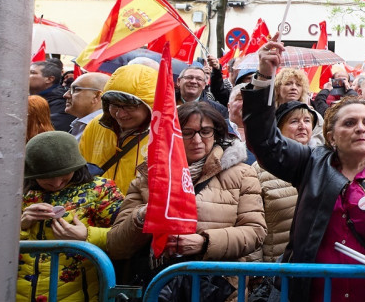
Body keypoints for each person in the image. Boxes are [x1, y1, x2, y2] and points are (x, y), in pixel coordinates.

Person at [244, 40, 365, 301]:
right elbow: (264, 142)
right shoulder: (311, 162)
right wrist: (264, 77)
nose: (361, 128)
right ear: (331, 136)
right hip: (313, 293)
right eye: (350, 123)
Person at [107, 101, 266, 291]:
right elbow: (116, 245)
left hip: (214, 289)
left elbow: (255, 231)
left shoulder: (241, 174)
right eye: (187, 133)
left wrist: (204, 242)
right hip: (157, 286)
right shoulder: (148, 178)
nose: (197, 140)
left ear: (216, 133)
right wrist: (144, 215)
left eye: (206, 131)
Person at [18, 131, 124, 302]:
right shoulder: (16, 194)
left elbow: (125, 237)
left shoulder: (100, 190)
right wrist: (20, 226)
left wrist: (87, 237)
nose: (57, 183)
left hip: (80, 294)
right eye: (46, 179)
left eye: (65, 175)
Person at [255, 101, 319, 263]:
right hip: (275, 268)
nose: (302, 126)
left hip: (313, 265)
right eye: (294, 121)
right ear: (278, 129)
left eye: (307, 121)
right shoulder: (261, 169)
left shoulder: (324, 162)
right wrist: (256, 273)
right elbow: (252, 225)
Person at [78, 64, 157, 196]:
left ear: (149, 106)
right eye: (114, 106)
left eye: (129, 107)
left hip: (135, 213)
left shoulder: (165, 135)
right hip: (95, 210)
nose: (120, 114)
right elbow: (80, 171)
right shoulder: (95, 125)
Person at [31, 59, 75, 132]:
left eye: (32, 72)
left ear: (49, 79)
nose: (26, 75)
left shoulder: (61, 103)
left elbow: (44, 131)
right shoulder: (25, 97)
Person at [63, 72, 108, 139]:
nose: (66, 95)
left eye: (75, 90)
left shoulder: (103, 129)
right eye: (69, 90)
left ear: (97, 95)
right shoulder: (82, 124)